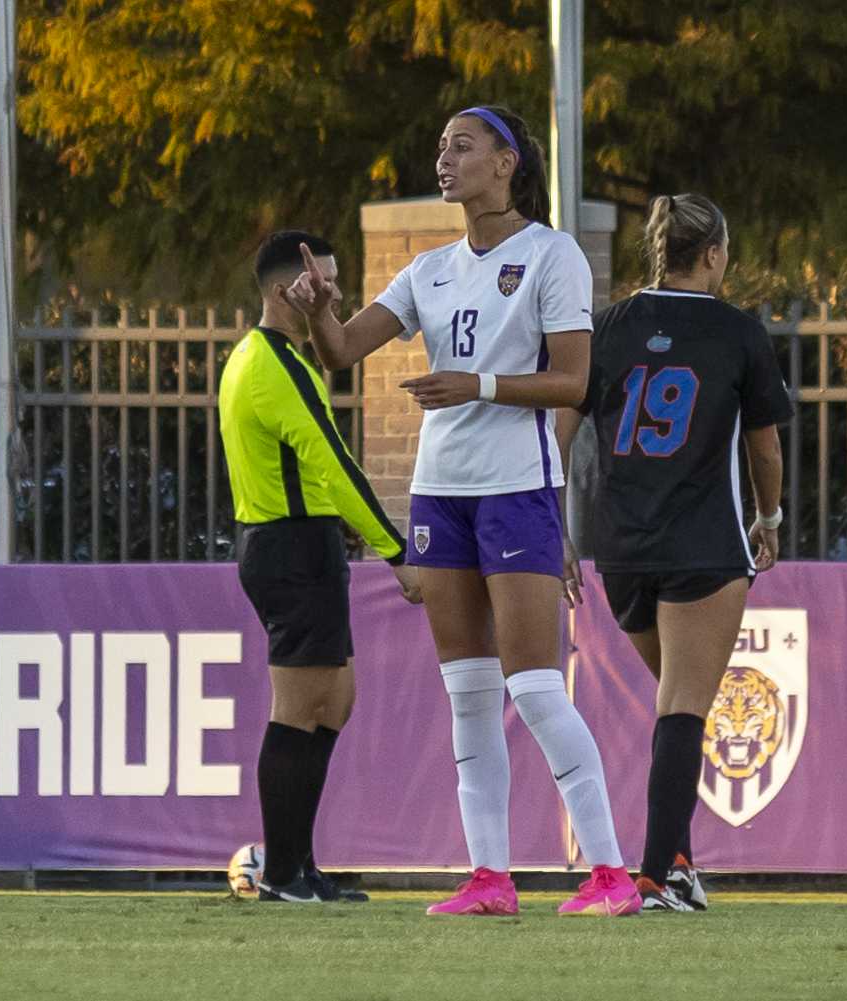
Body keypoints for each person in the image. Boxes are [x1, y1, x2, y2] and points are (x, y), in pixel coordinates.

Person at [285, 105, 639, 916]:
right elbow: (341, 352)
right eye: (439, 145)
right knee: (469, 692)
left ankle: (610, 872)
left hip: (517, 490)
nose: (442, 158)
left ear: (506, 162)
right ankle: (490, 877)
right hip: (439, 493)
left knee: (537, 688)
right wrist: (318, 308)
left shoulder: (552, 254)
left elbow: (575, 382)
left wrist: (474, 384)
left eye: (460, 145)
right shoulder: (431, 268)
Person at [556, 193, 793, 912]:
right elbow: (764, 443)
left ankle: (676, 862)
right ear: (714, 253)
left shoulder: (607, 327)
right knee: (684, 709)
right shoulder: (736, 332)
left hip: (618, 547)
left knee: (676, 709)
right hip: (702, 544)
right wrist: (770, 515)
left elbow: (557, 431)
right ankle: (657, 876)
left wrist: (551, 524)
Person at [219, 230, 422, 904]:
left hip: (299, 546)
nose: (332, 293)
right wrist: (396, 550)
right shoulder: (269, 364)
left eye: (336, 280)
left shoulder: (278, 356)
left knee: (335, 699)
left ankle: (298, 863)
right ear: (285, 290)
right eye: (321, 281)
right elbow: (333, 467)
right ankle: (280, 872)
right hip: (289, 547)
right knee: (300, 705)